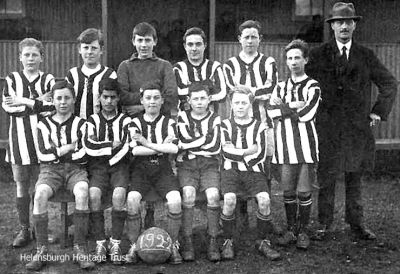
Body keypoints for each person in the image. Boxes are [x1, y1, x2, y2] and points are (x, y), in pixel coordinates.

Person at [305, 2, 397, 240]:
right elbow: (303, 85)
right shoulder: (318, 55)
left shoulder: (365, 55)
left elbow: (389, 83)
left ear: (354, 25)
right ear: (332, 26)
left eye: (348, 22)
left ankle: (356, 224)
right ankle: (324, 223)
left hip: (356, 128)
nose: (344, 26)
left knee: (354, 175)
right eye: (339, 22)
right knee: (326, 176)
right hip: (327, 127)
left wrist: (378, 111)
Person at [25, 80, 95, 271]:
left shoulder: (82, 124)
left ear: (73, 100)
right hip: (50, 170)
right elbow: (43, 155)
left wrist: (57, 150)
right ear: (53, 101)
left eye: (67, 98)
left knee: (82, 191)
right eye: (59, 98)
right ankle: (42, 250)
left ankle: (80, 248)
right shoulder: (44, 124)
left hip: (75, 169)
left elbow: (83, 154)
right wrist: (68, 147)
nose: (63, 102)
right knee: (39, 195)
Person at [223, 20, 278, 229]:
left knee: (264, 167)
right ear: (239, 39)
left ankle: (265, 216)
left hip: (263, 121)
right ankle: (242, 214)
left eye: (254, 36)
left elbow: (271, 88)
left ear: (260, 39)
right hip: (237, 123)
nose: (250, 40)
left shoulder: (268, 62)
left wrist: (247, 92)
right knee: (239, 162)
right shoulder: (230, 64)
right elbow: (231, 90)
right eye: (246, 36)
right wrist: (252, 92)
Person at [268, 39, 321, 249]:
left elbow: (308, 114)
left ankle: (303, 231)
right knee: (288, 191)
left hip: (306, 145)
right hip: (285, 146)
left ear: (305, 59)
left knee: (304, 191)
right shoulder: (280, 87)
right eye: (289, 58)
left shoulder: (313, 85)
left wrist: (284, 109)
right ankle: (291, 229)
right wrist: (293, 107)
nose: (293, 62)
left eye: (297, 57)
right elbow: (271, 111)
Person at [2, 38, 54, 248]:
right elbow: (8, 108)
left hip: (42, 142)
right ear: (20, 57)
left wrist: (23, 100)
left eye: (34, 55)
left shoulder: (49, 79)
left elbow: (51, 107)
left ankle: (41, 230)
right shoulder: (12, 78)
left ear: (42, 57)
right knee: (22, 186)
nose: (30, 58)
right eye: (26, 55)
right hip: (18, 143)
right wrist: (37, 102)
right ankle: (24, 230)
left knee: (42, 187)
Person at [124, 81, 182, 265]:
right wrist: (161, 147)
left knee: (175, 199)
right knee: (132, 199)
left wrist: (146, 143)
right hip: (141, 170)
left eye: (156, 98)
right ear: (141, 100)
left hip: (163, 170)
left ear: (162, 100)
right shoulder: (134, 122)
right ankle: (134, 245)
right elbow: (135, 151)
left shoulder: (169, 122)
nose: (152, 102)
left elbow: (173, 150)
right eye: (148, 98)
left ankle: (172, 245)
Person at [219, 86, 280, 261]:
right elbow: (225, 152)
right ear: (231, 104)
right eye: (236, 102)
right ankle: (228, 240)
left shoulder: (259, 127)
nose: (240, 106)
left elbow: (260, 154)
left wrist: (238, 152)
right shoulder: (224, 125)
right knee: (229, 199)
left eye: (244, 103)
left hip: (254, 172)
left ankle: (263, 240)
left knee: (264, 199)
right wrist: (247, 151)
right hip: (230, 171)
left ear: (250, 104)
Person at [83, 78, 131, 264]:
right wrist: (111, 145)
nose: (109, 101)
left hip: (120, 166)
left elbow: (127, 145)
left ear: (118, 98)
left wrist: (104, 150)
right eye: (105, 97)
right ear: (99, 98)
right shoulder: (92, 120)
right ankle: (100, 242)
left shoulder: (125, 120)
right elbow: (89, 146)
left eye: (112, 97)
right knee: (93, 195)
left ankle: (116, 242)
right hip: (98, 168)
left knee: (119, 195)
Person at [176, 82, 221, 262]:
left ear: (209, 99)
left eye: (203, 98)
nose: (200, 102)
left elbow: (215, 146)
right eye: (196, 99)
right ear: (189, 100)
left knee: (213, 195)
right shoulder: (182, 116)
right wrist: (204, 139)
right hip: (187, 166)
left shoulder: (215, 118)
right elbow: (182, 140)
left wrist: (190, 146)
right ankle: (186, 239)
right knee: (188, 194)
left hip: (209, 165)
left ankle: (213, 239)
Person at [117, 22, 178, 117]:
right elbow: (123, 96)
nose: (144, 45)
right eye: (140, 40)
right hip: (132, 120)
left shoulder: (165, 66)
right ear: (133, 41)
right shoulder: (125, 66)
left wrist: (142, 107)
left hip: (160, 121)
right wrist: (155, 98)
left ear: (155, 41)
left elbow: (171, 96)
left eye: (148, 40)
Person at [66, 28, 117, 119]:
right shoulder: (72, 75)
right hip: (77, 126)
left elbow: (114, 104)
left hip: (101, 126)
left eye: (94, 48)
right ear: (79, 49)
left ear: (101, 50)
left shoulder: (109, 74)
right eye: (86, 48)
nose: (89, 52)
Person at [174, 27, 227, 113]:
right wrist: (207, 86)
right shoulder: (178, 68)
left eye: (198, 44)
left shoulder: (215, 67)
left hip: (211, 119)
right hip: (185, 120)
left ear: (205, 45)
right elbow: (178, 93)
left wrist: (190, 88)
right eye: (190, 44)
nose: (194, 49)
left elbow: (222, 94)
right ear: (185, 46)